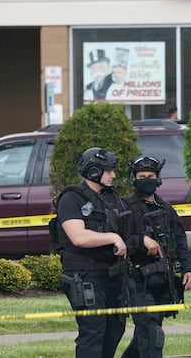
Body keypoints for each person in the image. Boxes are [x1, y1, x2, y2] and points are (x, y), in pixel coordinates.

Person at [52, 147, 131, 358]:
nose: (113, 175)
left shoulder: (111, 198)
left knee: (115, 328)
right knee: (93, 329)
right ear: (94, 171)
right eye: (108, 170)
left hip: (112, 273)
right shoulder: (71, 198)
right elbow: (78, 237)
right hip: (84, 273)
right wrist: (113, 238)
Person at [121, 155, 191, 358]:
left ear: (158, 178)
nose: (147, 179)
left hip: (162, 281)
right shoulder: (124, 207)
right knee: (152, 334)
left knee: (145, 336)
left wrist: (189, 269)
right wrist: (141, 240)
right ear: (134, 178)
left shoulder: (166, 209)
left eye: (151, 175)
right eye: (142, 176)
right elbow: (115, 242)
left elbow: (181, 242)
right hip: (137, 282)